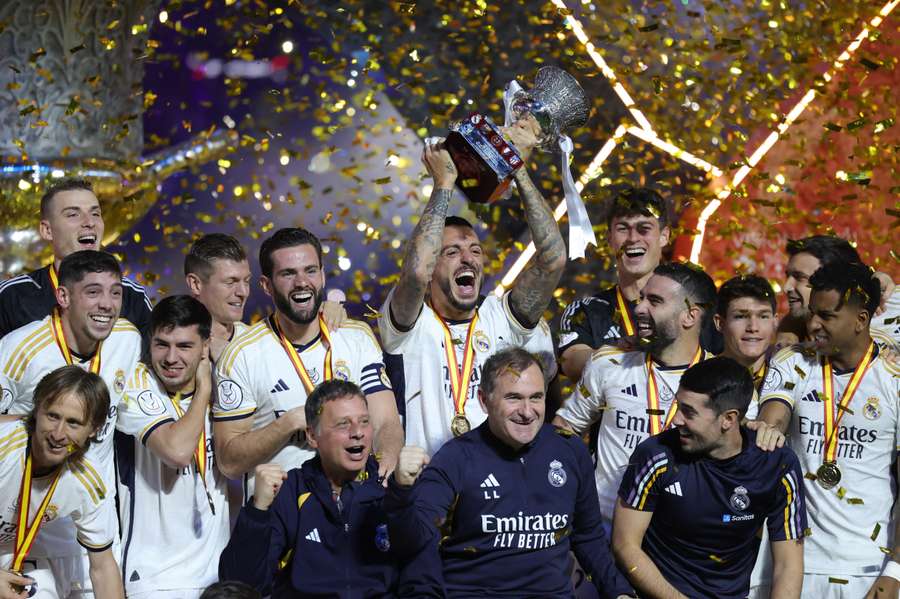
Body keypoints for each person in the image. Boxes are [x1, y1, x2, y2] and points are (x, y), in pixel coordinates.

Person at [378, 125, 567, 457]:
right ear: (434, 264)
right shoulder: (408, 324)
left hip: (497, 484)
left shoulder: (500, 316)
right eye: (451, 252)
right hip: (429, 484)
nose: (468, 259)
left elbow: (552, 258)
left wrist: (517, 172)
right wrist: (444, 184)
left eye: (475, 251)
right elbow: (417, 270)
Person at [385, 347, 635, 598]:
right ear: (484, 400)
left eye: (536, 397)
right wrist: (402, 490)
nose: (527, 412)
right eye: (514, 398)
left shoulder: (570, 450)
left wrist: (619, 591)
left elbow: (588, 537)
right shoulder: (455, 458)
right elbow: (412, 543)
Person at [213, 228, 402, 500]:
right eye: (288, 274)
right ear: (267, 285)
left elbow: (386, 422)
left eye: (310, 270)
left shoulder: (356, 338)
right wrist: (289, 423)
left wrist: (385, 466)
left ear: (323, 276)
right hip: (283, 523)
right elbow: (229, 462)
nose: (302, 282)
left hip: (356, 512)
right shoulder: (243, 355)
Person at [0, 250, 141, 597]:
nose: (107, 304)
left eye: (115, 293)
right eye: (93, 292)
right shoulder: (21, 349)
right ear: (63, 296)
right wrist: (31, 425)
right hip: (20, 528)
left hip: (88, 517)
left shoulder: (128, 339)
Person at [759, 261, 900, 598]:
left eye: (827, 316)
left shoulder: (894, 380)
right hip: (789, 563)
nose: (813, 324)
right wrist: (767, 429)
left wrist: (895, 572)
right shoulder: (791, 360)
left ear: (861, 320)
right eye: (811, 313)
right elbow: (773, 417)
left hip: (866, 566)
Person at [613, 357, 806, 599]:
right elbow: (624, 544)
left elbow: (788, 564)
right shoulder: (656, 455)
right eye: (679, 406)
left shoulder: (777, 465)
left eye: (689, 412)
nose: (676, 419)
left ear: (728, 419)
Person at [552, 263, 721, 526]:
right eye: (642, 298)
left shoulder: (722, 382)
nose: (639, 308)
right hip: (604, 528)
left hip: (677, 537)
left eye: (654, 301)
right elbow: (564, 429)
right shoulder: (608, 364)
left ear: (689, 315)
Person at [219, 380, 398, 598]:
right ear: (313, 436)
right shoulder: (291, 492)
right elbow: (243, 585)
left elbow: (420, 573)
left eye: (364, 421)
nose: (357, 432)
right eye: (343, 424)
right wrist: (258, 511)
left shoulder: (390, 488)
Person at [115, 295, 230, 599]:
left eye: (184, 346)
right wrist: (205, 389)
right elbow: (177, 451)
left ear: (206, 347)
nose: (170, 357)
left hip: (218, 574)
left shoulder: (228, 381)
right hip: (155, 579)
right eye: (162, 344)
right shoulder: (136, 383)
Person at [0, 366, 124, 599]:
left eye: (73, 423)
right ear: (36, 412)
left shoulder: (87, 479)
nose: (58, 434)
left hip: (9, 552)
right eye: (52, 416)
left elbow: (103, 568)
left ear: (94, 429)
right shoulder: (4, 447)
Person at [0, 178, 152, 338]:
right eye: (73, 214)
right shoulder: (12, 297)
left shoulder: (132, 296)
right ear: (47, 230)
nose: (89, 222)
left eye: (95, 213)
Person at [558, 187, 671, 381]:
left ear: (664, 236)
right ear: (609, 238)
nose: (633, 238)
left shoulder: (691, 307)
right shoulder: (585, 312)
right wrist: (620, 354)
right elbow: (571, 362)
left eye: (644, 229)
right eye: (623, 229)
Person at [780, 235, 897, 350]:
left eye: (799, 277)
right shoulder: (788, 341)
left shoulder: (891, 312)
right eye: (788, 276)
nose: (786, 287)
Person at [184, 234, 252, 362]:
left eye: (247, 281)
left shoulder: (257, 345)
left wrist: (230, 362)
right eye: (230, 282)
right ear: (195, 284)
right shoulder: (171, 347)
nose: (243, 292)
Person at [715, 274, 779, 391]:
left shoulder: (789, 379)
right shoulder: (699, 379)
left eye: (763, 316)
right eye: (741, 316)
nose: (753, 327)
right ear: (720, 323)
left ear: (775, 322)